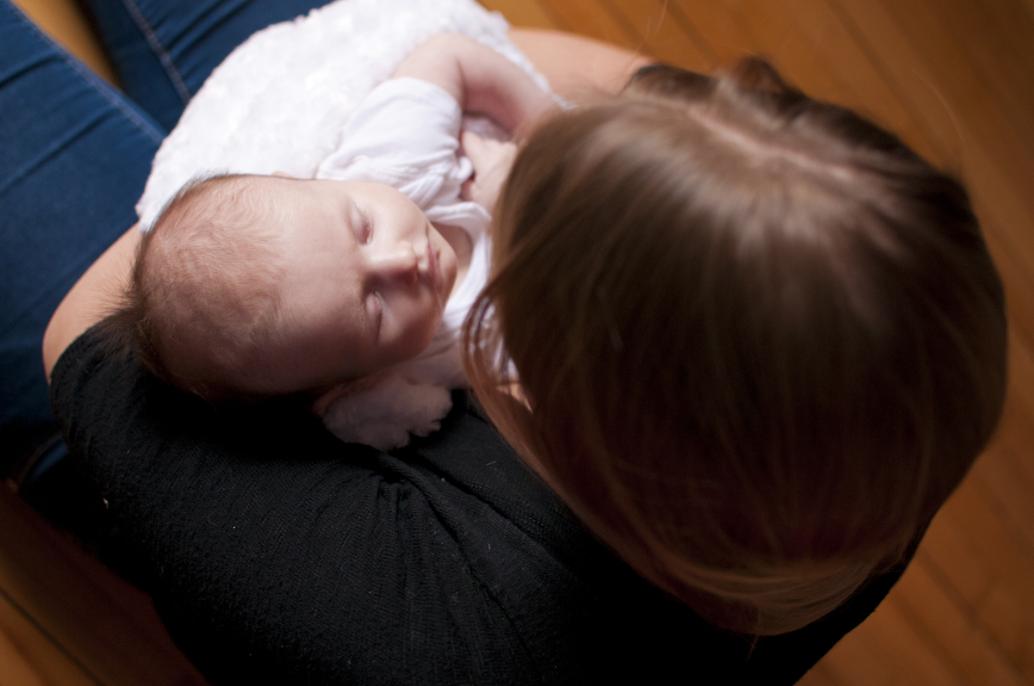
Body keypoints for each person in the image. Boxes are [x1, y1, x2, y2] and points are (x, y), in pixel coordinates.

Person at [3, 2, 1006, 685]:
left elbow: (90, 328)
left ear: (532, 387)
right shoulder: (886, 341)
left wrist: (295, 196)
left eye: (496, 217)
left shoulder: (420, 635)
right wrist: (390, 114)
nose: (474, 169)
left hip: (164, 378)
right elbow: (569, 75)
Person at [105, 33, 550, 448]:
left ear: (306, 181)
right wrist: (532, 199)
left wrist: (546, 134)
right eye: (375, 308)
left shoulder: (388, 162)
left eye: (364, 228)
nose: (403, 261)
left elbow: (451, 54)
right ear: (354, 382)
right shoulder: (451, 355)